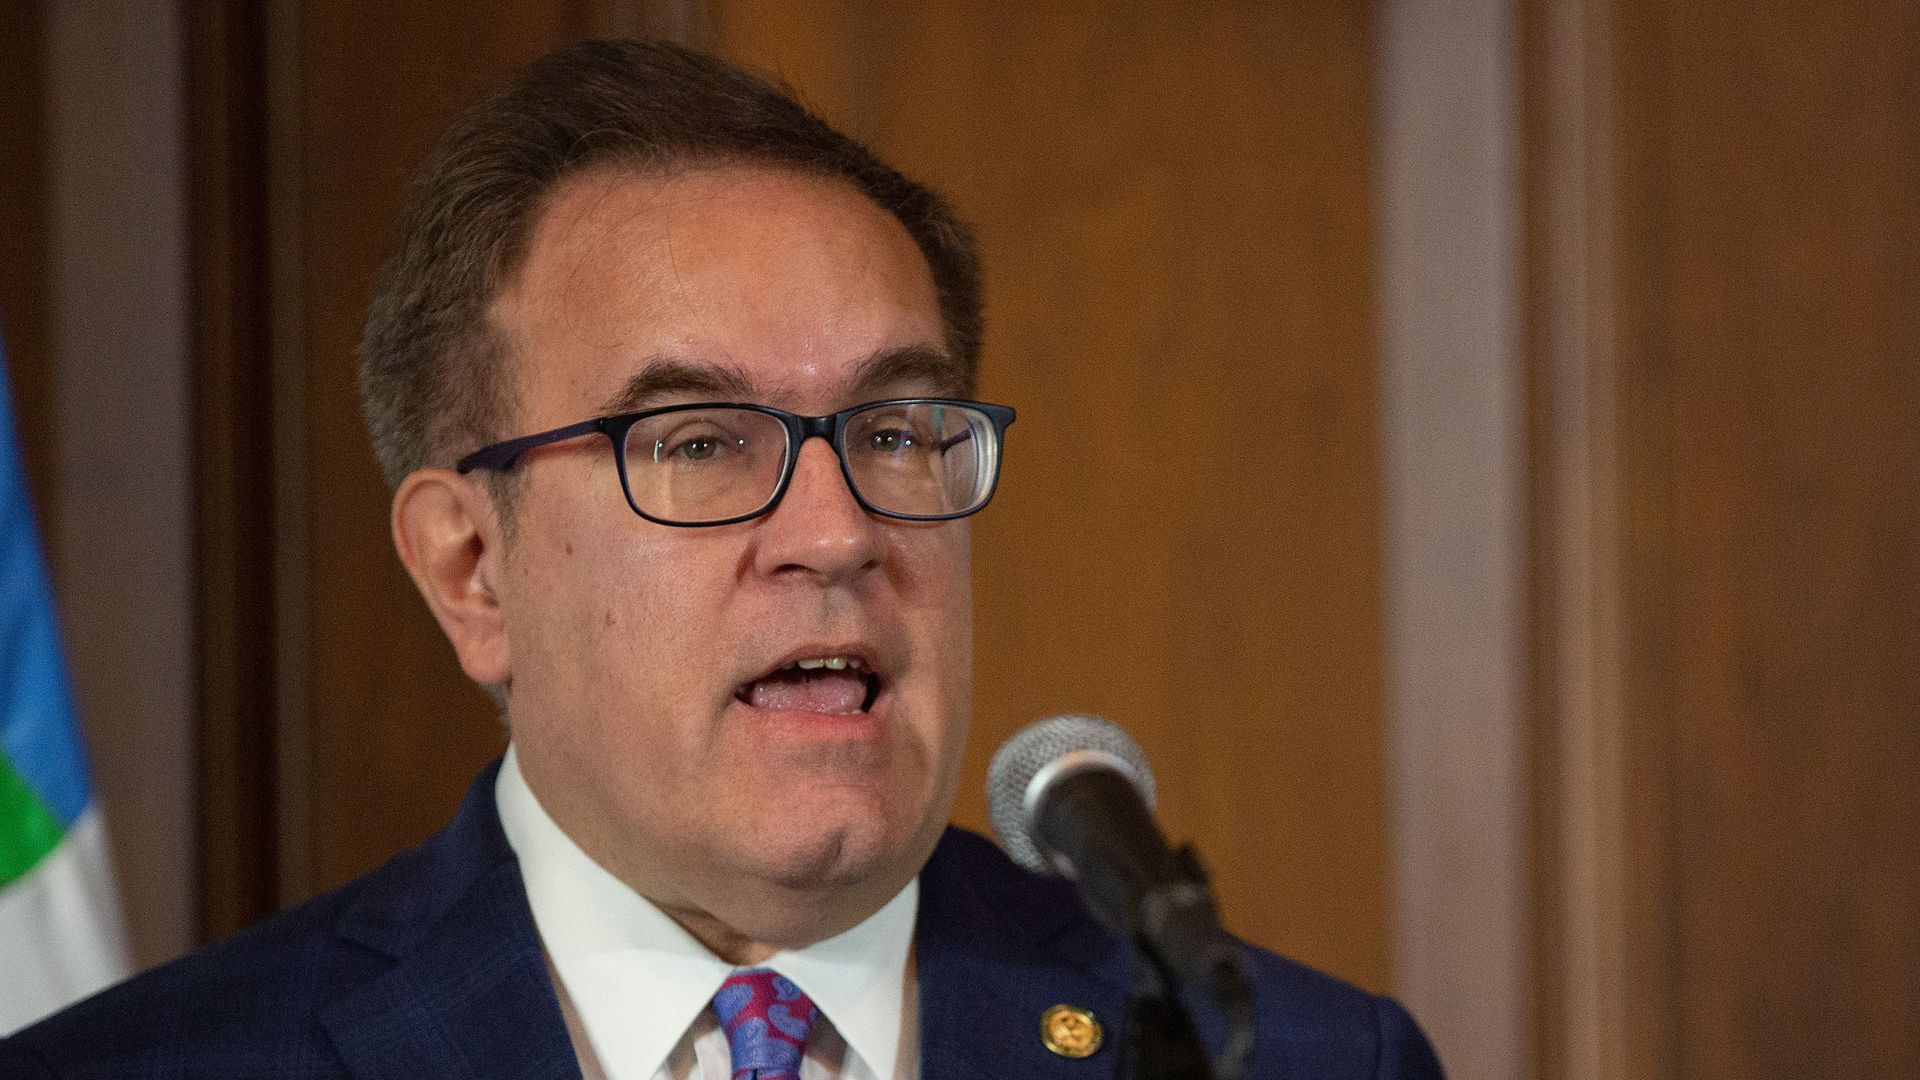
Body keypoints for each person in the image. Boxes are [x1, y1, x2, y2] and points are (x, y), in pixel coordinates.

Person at [0, 39, 1444, 1079]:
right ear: (471, 571)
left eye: (893, 429)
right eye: (699, 444)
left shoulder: (1293, 1055)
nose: (838, 534)